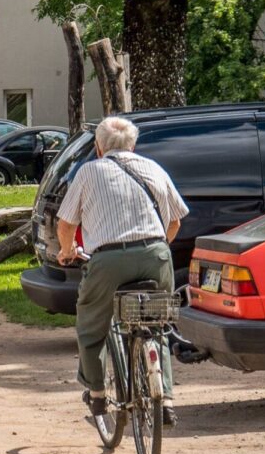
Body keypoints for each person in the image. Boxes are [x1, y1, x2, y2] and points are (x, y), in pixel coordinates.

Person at [54, 115, 188, 425]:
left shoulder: (89, 171)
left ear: (99, 147)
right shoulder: (154, 168)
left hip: (108, 260)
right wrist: (155, 247)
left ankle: (98, 394)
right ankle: (164, 396)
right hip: (156, 255)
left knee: (91, 325)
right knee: (157, 326)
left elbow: (66, 223)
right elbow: (176, 221)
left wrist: (67, 250)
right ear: (133, 144)